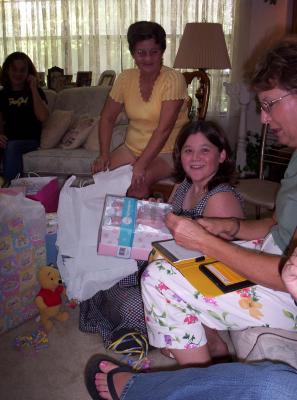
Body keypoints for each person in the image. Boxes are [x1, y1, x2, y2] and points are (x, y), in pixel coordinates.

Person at [140, 36, 297, 367]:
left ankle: (204, 382)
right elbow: (280, 222)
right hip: (274, 252)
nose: (264, 118)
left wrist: (208, 242)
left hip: (289, 291)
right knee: (171, 259)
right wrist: (231, 227)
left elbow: (289, 275)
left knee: (159, 279)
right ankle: (206, 350)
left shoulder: (220, 194)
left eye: (269, 104)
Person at [80, 119, 244, 352]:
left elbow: (220, 270)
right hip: (168, 269)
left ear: (222, 155)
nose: (195, 158)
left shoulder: (220, 199)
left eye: (204, 150)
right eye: (189, 150)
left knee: (131, 306)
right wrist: (153, 214)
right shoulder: (183, 185)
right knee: (106, 272)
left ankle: (201, 336)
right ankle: (157, 331)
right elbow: (168, 231)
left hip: (197, 289)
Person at [91, 21, 189, 199]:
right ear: (133, 53)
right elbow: (107, 118)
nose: (148, 59)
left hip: (168, 151)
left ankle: (135, 225)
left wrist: (141, 165)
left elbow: (164, 129)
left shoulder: (174, 79)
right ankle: (107, 223)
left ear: (162, 52)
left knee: (138, 182)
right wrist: (104, 154)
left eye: (154, 52)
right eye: (141, 53)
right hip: (132, 148)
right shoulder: (125, 78)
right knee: (99, 176)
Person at [0, 52, 49, 181]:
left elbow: (43, 117)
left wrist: (33, 88)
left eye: (22, 70)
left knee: (12, 146)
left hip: (30, 141)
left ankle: (11, 192)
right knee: (9, 145)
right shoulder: (3, 94)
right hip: (8, 141)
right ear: (7, 71)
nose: (18, 74)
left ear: (29, 73)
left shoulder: (36, 92)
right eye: (14, 70)